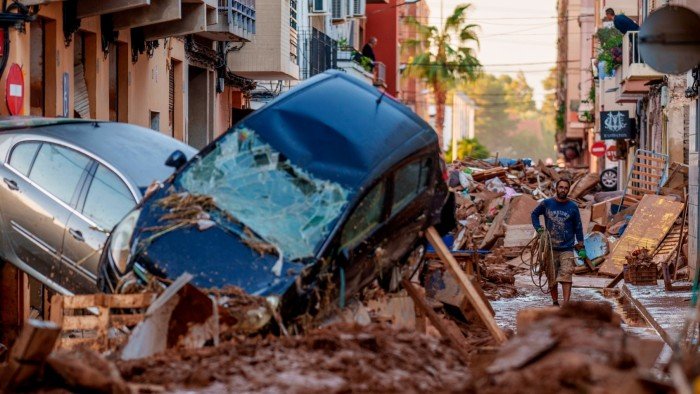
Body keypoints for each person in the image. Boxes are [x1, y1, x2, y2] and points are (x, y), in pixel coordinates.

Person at [530, 179, 586, 306]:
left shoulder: (573, 207)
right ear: (556, 188)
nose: (563, 190)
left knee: (566, 275)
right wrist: (538, 228)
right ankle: (555, 302)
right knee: (552, 277)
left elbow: (578, 226)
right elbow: (534, 214)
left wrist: (581, 246)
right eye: (561, 187)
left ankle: (566, 304)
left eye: (566, 188)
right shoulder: (547, 203)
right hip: (550, 248)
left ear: (568, 190)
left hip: (567, 248)